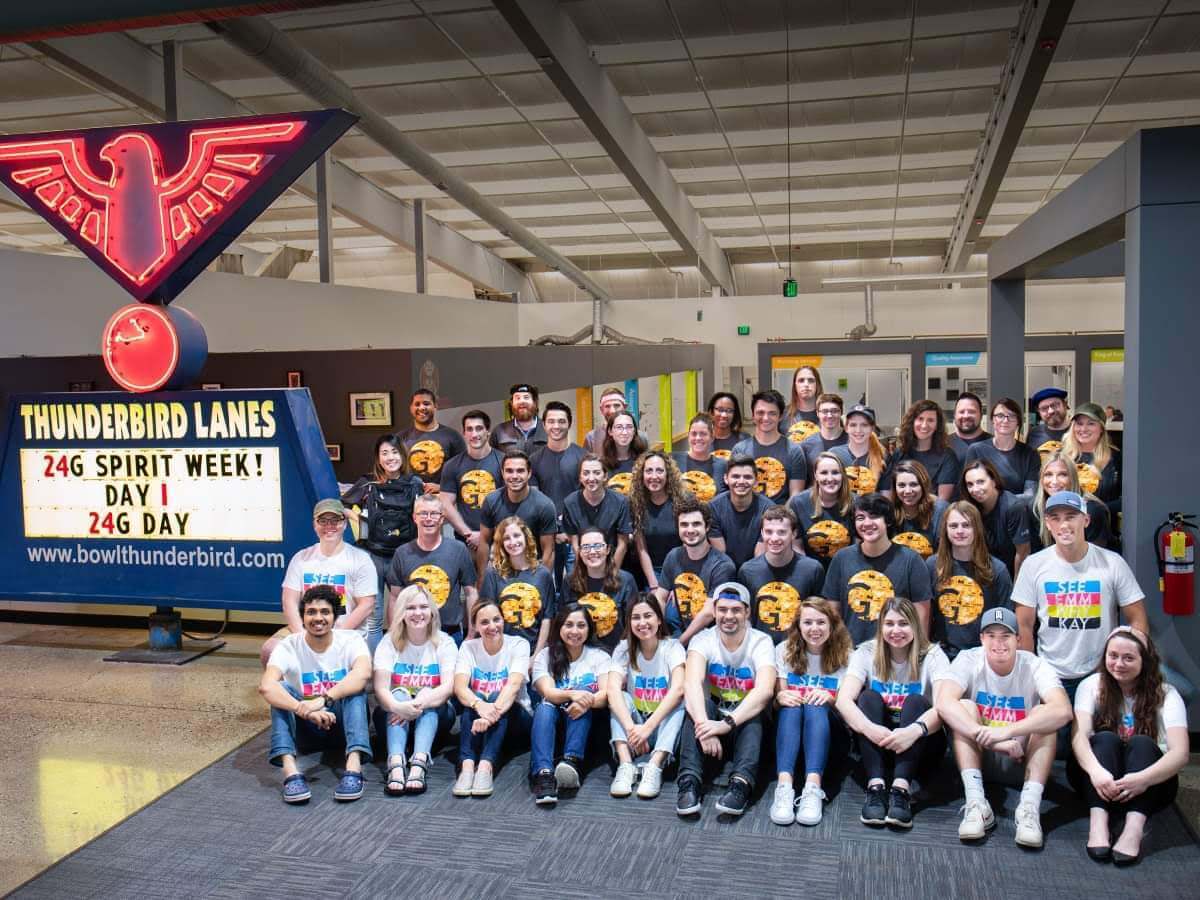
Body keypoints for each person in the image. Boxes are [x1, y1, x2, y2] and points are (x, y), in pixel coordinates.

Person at [935, 607, 1072, 848]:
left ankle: (1029, 808)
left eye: (1005, 636)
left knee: (1045, 713)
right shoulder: (968, 658)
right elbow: (944, 703)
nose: (998, 643)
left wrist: (1009, 731)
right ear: (981, 639)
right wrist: (995, 740)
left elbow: (1063, 711)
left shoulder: (1035, 665)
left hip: (1021, 760)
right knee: (963, 706)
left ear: (1018, 640)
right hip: (978, 757)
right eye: (991, 636)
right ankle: (977, 804)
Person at [1070, 627, 1189, 865]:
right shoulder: (1092, 685)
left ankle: (1134, 828)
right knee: (1104, 738)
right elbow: (1078, 736)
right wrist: (1096, 771)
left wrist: (1143, 779)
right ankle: (1098, 823)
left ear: (1145, 661)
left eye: (1128, 658)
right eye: (1113, 656)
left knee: (1142, 743)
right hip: (1100, 779)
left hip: (1148, 784)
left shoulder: (1166, 694)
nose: (1119, 663)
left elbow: (1181, 753)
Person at [1013, 491, 1148, 697]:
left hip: (1102, 673)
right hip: (1051, 674)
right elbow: (1024, 626)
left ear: (1085, 520)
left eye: (1070, 517)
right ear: (1048, 524)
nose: (1064, 525)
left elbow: (1137, 619)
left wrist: (1131, 669)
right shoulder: (1033, 565)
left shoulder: (1112, 563)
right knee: (1050, 728)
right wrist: (1031, 674)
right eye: (1056, 519)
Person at [835, 597, 950, 829]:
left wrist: (913, 731)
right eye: (889, 624)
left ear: (915, 626)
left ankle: (900, 789)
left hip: (920, 745)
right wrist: (870, 728)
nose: (896, 630)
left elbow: (944, 707)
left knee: (916, 701)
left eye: (903, 624)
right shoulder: (866, 652)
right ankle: (876, 787)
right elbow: (843, 700)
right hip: (879, 742)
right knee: (867, 698)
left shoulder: (933, 655)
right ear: (881, 627)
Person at [260, 584, 371, 803]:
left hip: (342, 723)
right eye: (311, 612)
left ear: (334, 616)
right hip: (306, 727)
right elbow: (267, 686)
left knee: (354, 689)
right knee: (280, 690)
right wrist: (305, 710)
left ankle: (354, 769)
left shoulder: (351, 639)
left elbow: (363, 673)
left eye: (325, 612)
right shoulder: (289, 645)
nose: (318, 618)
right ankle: (291, 774)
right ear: (302, 617)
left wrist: (323, 699)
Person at [675, 582, 777, 818]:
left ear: (747, 612)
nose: (728, 616)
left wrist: (725, 724)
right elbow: (691, 683)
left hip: (741, 723)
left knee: (755, 710)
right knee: (700, 704)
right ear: (714, 612)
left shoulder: (761, 641)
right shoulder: (702, 639)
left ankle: (741, 784)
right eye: (722, 610)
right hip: (711, 722)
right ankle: (689, 781)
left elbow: (764, 690)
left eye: (735, 610)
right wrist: (704, 727)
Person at [261, 499, 376, 667]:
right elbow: (289, 601)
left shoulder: (360, 560)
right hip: (306, 629)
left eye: (335, 520)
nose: (329, 526)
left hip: (346, 631)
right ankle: (290, 690)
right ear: (315, 524)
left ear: (344, 524)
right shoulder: (301, 558)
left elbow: (367, 605)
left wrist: (335, 636)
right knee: (270, 650)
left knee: (356, 672)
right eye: (323, 521)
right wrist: (303, 638)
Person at [770, 597, 852, 827]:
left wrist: (832, 698)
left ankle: (813, 789)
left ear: (832, 625)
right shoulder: (783, 650)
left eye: (821, 622)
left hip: (831, 734)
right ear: (798, 626)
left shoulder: (848, 655)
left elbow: (850, 708)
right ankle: (784, 788)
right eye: (807, 623)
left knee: (815, 703)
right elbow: (778, 700)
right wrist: (780, 696)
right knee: (792, 704)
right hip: (791, 732)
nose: (814, 629)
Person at [339, 439, 423, 652]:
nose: (390, 457)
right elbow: (342, 505)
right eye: (384, 453)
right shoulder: (368, 483)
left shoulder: (415, 484)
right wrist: (359, 520)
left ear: (402, 455)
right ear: (378, 458)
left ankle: (396, 663)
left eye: (394, 452)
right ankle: (373, 670)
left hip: (405, 556)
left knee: (403, 616)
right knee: (373, 618)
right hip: (372, 556)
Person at [373, 584, 457, 796]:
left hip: (434, 716)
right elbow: (380, 689)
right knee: (398, 693)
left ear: (431, 611)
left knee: (427, 692)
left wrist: (420, 703)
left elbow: (448, 688)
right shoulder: (388, 642)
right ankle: (396, 763)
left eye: (423, 607)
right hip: (394, 716)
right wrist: (399, 706)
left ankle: (419, 763)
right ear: (401, 612)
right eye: (410, 608)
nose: (418, 613)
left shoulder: (445, 642)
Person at [821, 493, 933, 644]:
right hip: (851, 653)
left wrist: (918, 656)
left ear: (887, 521)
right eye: (860, 518)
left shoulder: (911, 560)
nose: (867, 523)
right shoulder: (842, 558)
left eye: (874, 516)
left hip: (897, 653)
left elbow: (921, 616)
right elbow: (833, 613)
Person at [529, 604, 611, 805]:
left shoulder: (599, 657)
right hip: (553, 724)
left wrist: (586, 700)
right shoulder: (545, 656)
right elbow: (548, 692)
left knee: (583, 702)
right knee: (545, 706)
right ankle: (544, 774)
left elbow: (607, 694)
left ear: (589, 629)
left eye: (581, 625)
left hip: (587, 724)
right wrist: (576, 694)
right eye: (569, 625)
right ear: (559, 627)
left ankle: (571, 763)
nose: (575, 631)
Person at [607, 595, 687, 799]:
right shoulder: (624, 648)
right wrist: (632, 729)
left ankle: (654, 766)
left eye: (648, 616)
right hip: (635, 726)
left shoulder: (673, 647)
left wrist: (647, 728)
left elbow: (678, 688)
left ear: (659, 619)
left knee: (680, 702)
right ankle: (625, 766)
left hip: (660, 725)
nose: (642, 623)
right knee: (621, 698)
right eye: (636, 617)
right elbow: (613, 689)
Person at [451, 600, 532, 797]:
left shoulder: (519, 644)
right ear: (476, 626)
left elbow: (513, 687)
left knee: (497, 694)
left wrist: (488, 714)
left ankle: (486, 766)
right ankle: (468, 766)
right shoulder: (468, 647)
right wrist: (479, 705)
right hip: (481, 718)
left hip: (518, 719)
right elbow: (459, 687)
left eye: (497, 619)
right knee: (475, 697)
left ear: (503, 620)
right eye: (484, 622)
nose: (492, 626)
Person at [927, 501, 1013, 660]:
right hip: (942, 655)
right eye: (953, 526)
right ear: (945, 530)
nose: (959, 531)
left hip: (982, 655)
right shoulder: (933, 565)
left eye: (966, 525)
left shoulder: (997, 569)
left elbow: (1005, 619)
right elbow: (926, 614)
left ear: (977, 528)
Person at [386, 494, 477, 641]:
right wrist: (393, 636)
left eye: (434, 513)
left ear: (442, 519)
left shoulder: (458, 549)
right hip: (412, 633)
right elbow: (394, 597)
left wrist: (472, 634)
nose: (428, 518)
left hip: (450, 632)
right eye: (423, 513)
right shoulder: (402, 553)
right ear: (414, 517)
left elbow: (470, 593)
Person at [739, 506, 824, 644]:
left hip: (799, 648)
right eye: (769, 532)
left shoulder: (812, 569)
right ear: (762, 533)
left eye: (782, 532)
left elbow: (818, 614)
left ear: (794, 533)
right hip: (761, 649)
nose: (774, 538)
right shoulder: (747, 571)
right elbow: (745, 618)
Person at [657, 495, 736, 643]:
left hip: (712, 638)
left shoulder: (723, 565)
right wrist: (659, 633)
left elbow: (708, 613)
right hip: (679, 632)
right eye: (684, 525)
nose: (690, 530)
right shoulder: (673, 556)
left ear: (706, 527)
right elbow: (660, 598)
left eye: (696, 524)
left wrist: (679, 644)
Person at [481, 516, 557, 659]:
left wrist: (535, 657)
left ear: (526, 537)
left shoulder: (543, 574)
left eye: (517, 536)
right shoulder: (492, 574)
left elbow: (547, 619)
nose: (513, 542)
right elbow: (487, 616)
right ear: (501, 543)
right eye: (507, 538)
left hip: (533, 651)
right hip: (501, 652)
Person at [477, 449, 558, 582]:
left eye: (520, 471)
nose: (514, 476)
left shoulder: (544, 505)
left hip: (532, 572)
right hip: (500, 572)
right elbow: (484, 542)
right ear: (502, 473)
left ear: (529, 473)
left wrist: (540, 583)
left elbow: (548, 552)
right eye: (509, 471)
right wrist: (481, 579)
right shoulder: (491, 501)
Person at [529, 401, 587, 586]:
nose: (556, 426)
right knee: (547, 589)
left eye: (561, 421)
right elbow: (534, 501)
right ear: (544, 425)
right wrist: (553, 531)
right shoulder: (534, 460)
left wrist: (569, 532)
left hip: (575, 537)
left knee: (576, 589)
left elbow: (586, 498)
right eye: (551, 421)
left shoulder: (583, 457)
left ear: (569, 423)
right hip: (545, 538)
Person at [560, 526, 639, 652]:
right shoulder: (570, 582)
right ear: (579, 552)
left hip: (616, 654)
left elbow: (632, 624)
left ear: (607, 549)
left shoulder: (626, 581)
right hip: (580, 654)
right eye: (586, 547)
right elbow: (563, 622)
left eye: (597, 546)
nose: (592, 552)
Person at [439, 410, 505, 551]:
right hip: (466, 541)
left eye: (479, 428)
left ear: (488, 431)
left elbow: (511, 504)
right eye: (469, 429)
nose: (474, 434)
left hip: (500, 539)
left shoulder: (504, 462)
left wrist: (486, 535)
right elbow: (445, 504)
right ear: (464, 433)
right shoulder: (452, 465)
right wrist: (468, 534)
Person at [733, 388, 807, 504]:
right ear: (753, 415)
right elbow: (734, 491)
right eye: (760, 413)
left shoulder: (794, 451)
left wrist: (779, 519)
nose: (766, 418)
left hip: (781, 518)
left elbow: (795, 495)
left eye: (772, 413)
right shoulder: (740, 450)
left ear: (781, 416)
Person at [1028, 451, 1114, 552]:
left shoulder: (1092, 510)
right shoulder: (1036, 508)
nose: (1054, 481)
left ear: (1072, 478)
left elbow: (1098, 558)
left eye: (1062, 475)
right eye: (1048, 474)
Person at [960, 458, 1030, 578]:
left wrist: (1016, 588)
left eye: (981, 482)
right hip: (983, 572)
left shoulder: (1013, 507)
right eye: (970, 484)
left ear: (993, 481)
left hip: (1010, 574)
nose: (975, 489)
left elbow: (1023, 552)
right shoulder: (969, 507)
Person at [630, 451, 687, 594]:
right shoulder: (635, 504)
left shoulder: (683, 501)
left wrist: (679, 583)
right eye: (649, 471)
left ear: (668, 474)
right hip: (652, 570)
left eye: (659, 471)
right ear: (641, 475)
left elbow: (689, 543)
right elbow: (642, 549)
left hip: (682, 567)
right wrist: (654, 585)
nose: (654, 476)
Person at [561, 454, 633, 567]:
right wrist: (587, 572)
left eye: (596, 473)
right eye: (586, 473)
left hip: (613, 562)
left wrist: (611, 574)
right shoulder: (570, 503)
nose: (591, 478)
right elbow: (575, 544)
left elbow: (622, 545)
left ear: (605, 476)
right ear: (580, 477)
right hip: (583, 562)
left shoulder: (620, 502)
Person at [789, 451, 855, 570]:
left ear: (843, 475)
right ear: (815, 475)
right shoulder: (798, 503)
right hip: (810, 570)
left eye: (835, 473)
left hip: (846, 569)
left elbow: (858, 547)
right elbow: (796, 547)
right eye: (824, 473)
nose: (830, 478)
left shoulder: (856, 503)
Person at [882, 399, 960, 501]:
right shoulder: (900, 453)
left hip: (932, 513)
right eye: (920, 419)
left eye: (930, 420)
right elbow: (892, 491)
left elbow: (942, 502)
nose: (924, 425)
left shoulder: (947, 456)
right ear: (912, 422)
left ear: (937, 425)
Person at [707, 455, 774, 569]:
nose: (741, 481)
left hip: (756, 568)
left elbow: (760, 556)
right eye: (735, 476)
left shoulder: (769, 509)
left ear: (756, 481)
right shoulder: (713, 508)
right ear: (726, 479)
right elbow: (720, 554)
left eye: (747, 477)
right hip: (724, 568)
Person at [964, 398, 1040, 496]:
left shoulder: (1030, 454)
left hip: (1018, 511)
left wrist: (996, 500)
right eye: (1000, 416)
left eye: (1012, 416)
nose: (1005, 420)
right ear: (992, 420)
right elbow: (969, 489)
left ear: (1018, 422)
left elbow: (1030, 495)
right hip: (983, 510)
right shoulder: (976, 450)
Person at [1061, 402, 1121, 519]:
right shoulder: (1062, 456)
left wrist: (1097, 510)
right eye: (1079, 424)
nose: (1083, 429)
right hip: (1066, 525)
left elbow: (1126, 500)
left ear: (1101, 429)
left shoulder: (1115, 457)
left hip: (1102, 526)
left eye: (1091, 424)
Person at [398, 388, 466, 493]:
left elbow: (463, 471)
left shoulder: (452, 436)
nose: (421, 408)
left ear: (435, 406)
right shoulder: (400, 438)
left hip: (443, 500)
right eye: (417, 404)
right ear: (411, 408)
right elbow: (394, 472)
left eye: (426, 404)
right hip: (409, 500)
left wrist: (441, 487)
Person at [888, 460, 947, 560]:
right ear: (895, 488)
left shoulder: (940, 510)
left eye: (914, 484)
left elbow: (944, 554)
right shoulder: (888, 511)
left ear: (923, 485)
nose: (907, 491)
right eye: (901, 485)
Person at [830, 404, 887, 496]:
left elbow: (886, 498)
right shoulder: (834, 454)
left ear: (872, 428)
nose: (858, 430)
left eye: (864, 425)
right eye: (853, 425)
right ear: (846, 428)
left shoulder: (883, 456)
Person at [672, 412, 727, 502]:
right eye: (694, 434)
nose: (698, 438)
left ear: (712, 437)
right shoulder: (674, 460)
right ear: (688, 436)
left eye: (703, 434)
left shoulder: (722, 465)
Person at [490, 383, 548, 454]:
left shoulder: (548, 428)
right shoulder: (499, 431)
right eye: (517, 398)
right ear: (511, 404)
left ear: (535, 403)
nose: (522, 401)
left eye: (526, 397)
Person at [601, 410, 648, 494]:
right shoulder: (601, 465)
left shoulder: (646, 462)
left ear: (634, 431)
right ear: (610, 431)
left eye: (629, 427)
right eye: (619, 427)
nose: (625, 432)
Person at [798, 392, 849, 469]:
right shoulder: (806, 446)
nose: (829, 415)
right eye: (825, 411)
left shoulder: (852, 441)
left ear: (841, 412)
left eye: (834, 411)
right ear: (817, 413)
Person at [583, 385, 630, 454]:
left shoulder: (639, 436)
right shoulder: (592, 438)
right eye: (607, 406)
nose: (612, 411)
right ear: (601, 410)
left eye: (616, 405)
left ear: (625, 407)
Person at [1026, 387, 1070, 460]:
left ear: (1065, 405)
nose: (1050, 411)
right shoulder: (1033, 434)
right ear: (1039, 412)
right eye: (1044, 408)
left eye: (1055, 405)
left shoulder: (1079, 432)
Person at [783, 364, 823, 445]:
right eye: (801, 380)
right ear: (795, 385)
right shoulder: (783, 415)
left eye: (811, 380)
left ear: (817, 384)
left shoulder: (828, 415)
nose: (806, 384)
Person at [948, 392, 991, 464]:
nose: (966, 416)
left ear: (981, 415)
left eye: (971, 411)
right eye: (961, 412)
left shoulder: (994, 444)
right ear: (954, 415)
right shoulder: (943, 444)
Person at [706, 391, 746, 459]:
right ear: (711, 412)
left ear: (735, 414)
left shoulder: (744, 440)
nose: (724, 415)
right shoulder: (702, 439)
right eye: (720, 410)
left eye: (729, 411)